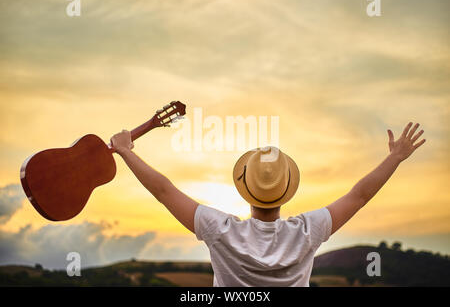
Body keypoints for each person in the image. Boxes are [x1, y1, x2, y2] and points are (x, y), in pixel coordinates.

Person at [110, 122, 426, 286]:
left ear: (244, 187)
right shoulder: (308, 231)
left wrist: (126, 151)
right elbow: (359, 196)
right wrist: (395, 157)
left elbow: (164, 192)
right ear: (287, 188)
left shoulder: (218, 230)